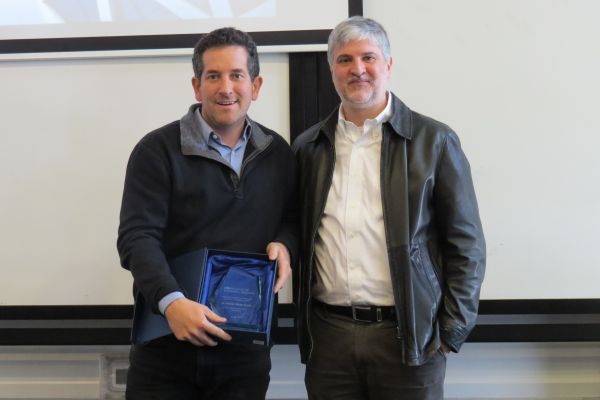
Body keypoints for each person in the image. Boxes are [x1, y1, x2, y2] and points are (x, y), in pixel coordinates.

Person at [292, 16, 485, 400]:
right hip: (329, 341)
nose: (357, 69)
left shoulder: (434, 141)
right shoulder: (309, 148)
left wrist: (451, 332)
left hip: (409, 340)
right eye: (345, 60)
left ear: (389, 65)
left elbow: (467, 244)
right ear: (332, 71)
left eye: (368, 57)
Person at [117, 27, 297, 399]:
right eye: (213, 76)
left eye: (237, 75)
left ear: (256, 86)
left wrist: (285, 243)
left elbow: (292, 219)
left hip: (244, 353)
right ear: (197, 86)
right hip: (167, 345)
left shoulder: (277, 152)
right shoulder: (156, 150)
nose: (226, 88)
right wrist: (172, 303)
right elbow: (137, 238)